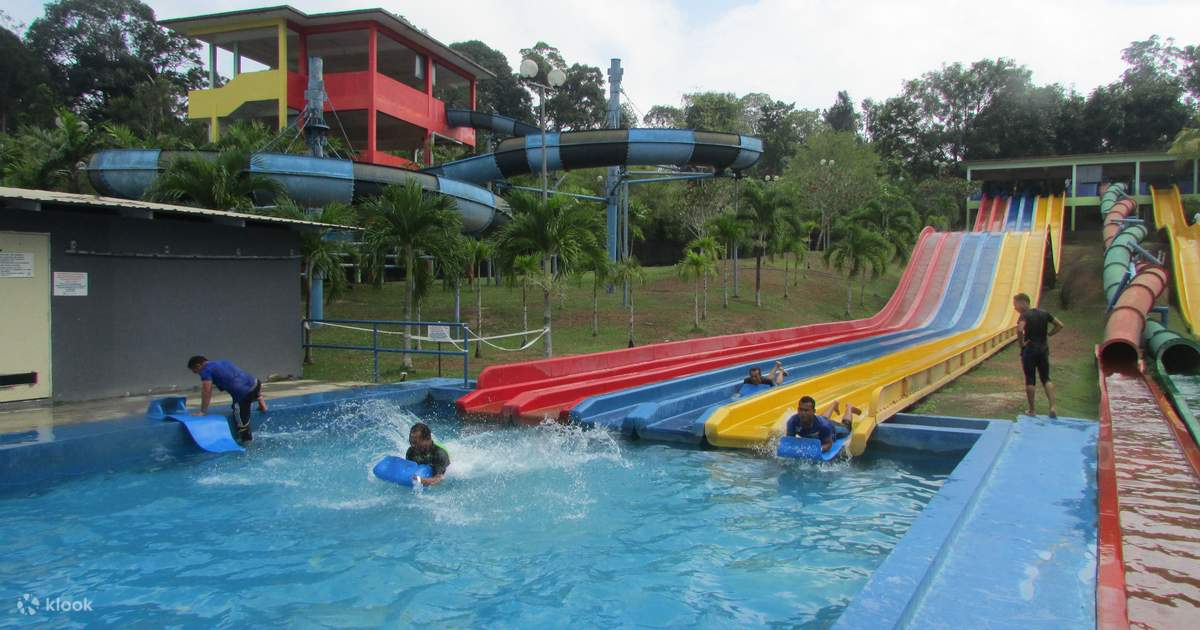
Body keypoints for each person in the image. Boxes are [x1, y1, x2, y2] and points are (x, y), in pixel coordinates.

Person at [187, 355, 267, 442]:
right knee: (246, 387)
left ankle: (247, 445)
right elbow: (240, 378)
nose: (199, 374)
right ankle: (260, 400)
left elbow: (207, 391)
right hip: (256, 384)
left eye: (196, 372)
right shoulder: (223, 362)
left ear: (198, 366)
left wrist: (202, 411)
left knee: (240, 421)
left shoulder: (206, 370)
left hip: (243, 394)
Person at [1013, 293, 1064, 418]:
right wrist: (1050, 334)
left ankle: (1032, 410)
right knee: (1046, 378)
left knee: (1030, 379)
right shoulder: (1044, 313)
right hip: (1043, 349)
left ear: (1024, 302)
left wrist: (1021, 344)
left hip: (1030, 350)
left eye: (1016, 305)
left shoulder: (1024, 316)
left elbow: (1020, 330)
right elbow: (1060, 325)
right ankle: (1052, 407)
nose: (1015, 308)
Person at [785, 396, 857, 452]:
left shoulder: (824, 426)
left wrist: (817, 450)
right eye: (800, 409)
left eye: (806, 410)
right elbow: (790, 441)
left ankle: (849, 408)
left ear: (814, 411)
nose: (803, 413)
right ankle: (834, 403)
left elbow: (828, 444)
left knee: (847, 428)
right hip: (821, 421)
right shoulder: (792, 422)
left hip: (833, 429)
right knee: (823, 419)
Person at [406, 422, 450, 487]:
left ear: (428, 438)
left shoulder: (440, 454)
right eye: (411, 442)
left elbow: (438, 479)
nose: (413, 446)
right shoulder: (411, 451)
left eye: (416, 443)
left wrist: (421, 480)